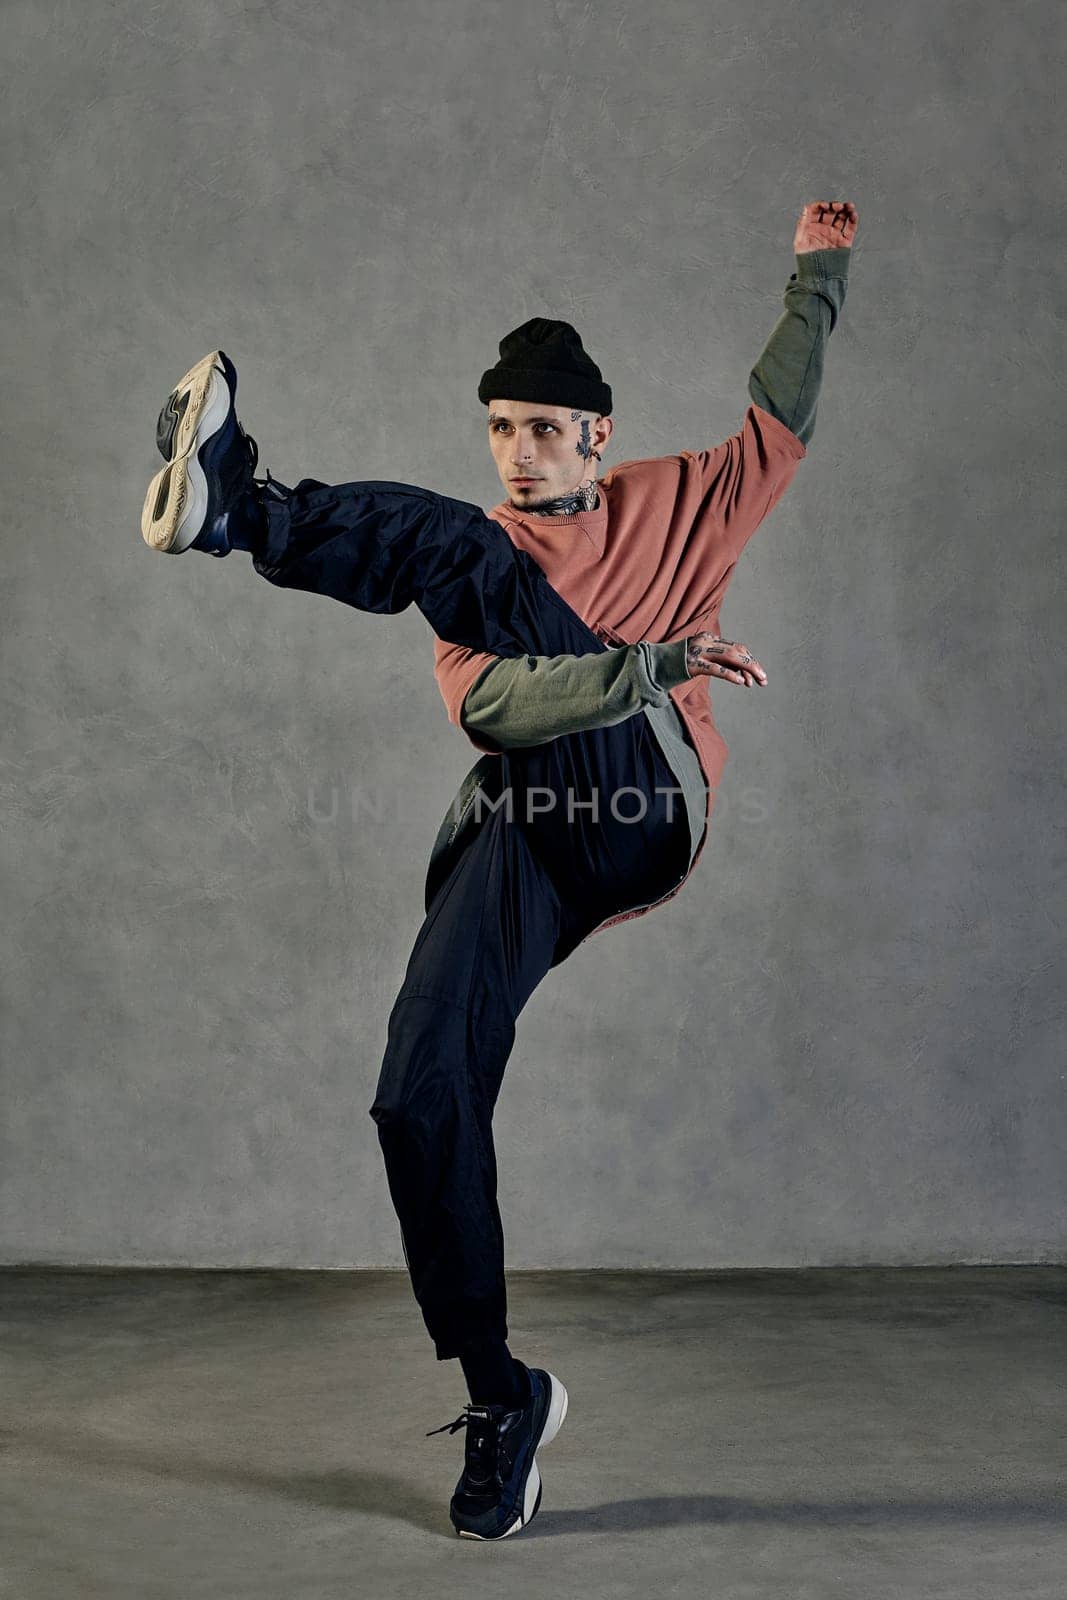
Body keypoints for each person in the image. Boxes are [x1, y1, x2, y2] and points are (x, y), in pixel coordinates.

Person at [139, 199, 858, 1539]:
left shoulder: (680, 502)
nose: (518, 458)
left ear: (597, 433)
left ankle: (238, 511)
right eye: (499, 431)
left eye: (541, 431)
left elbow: (781, 414)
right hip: (533, 817)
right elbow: (508, 716)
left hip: (644, 798)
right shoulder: (477, 571)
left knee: (459, 554)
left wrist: (817, 272)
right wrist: (642, 660)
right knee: (419, 1087)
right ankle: (502, 1395)